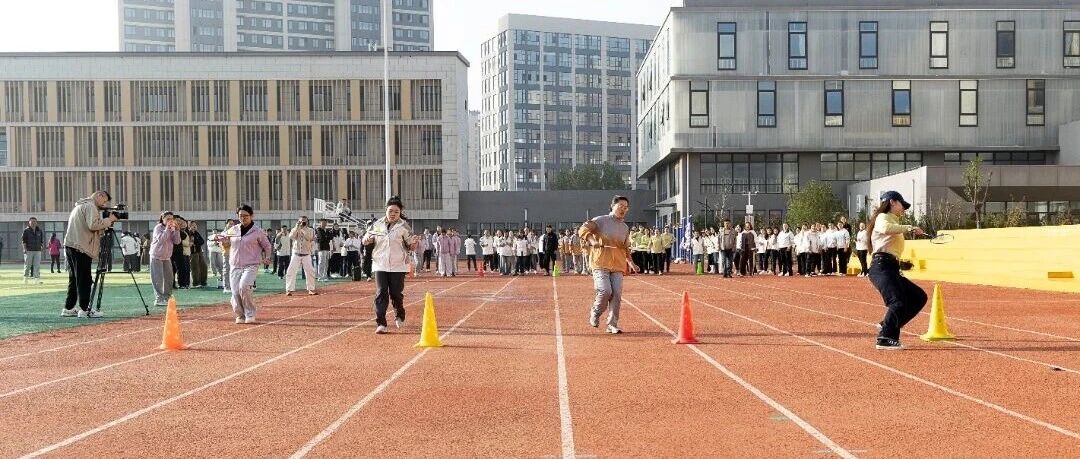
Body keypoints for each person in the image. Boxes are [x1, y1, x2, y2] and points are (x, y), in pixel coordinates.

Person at [867, 191, 928, 350]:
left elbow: (889, 249)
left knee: (918, 297)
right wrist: (910, 227)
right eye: (902, 205)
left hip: (890, 267)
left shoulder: (895, 223)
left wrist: (900, 264)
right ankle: (885, 338)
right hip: (881, 267)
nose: (904, 209)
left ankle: (886, 326)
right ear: (892, 202)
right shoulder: (883, 217)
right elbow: (885, 229)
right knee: (898, 302)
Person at [579, 195, 638, 334]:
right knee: (605, 291)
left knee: (616, 294)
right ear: (613, 206)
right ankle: (596, 311)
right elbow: (583, 230)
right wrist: (593, 242)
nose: (623, 209)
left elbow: (625, 248)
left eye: (626, 207)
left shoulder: (624, 227)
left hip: (617, 265)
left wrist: (631, 263)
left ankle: (612, 324)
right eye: (620, 206)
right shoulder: (600, 221)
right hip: (600, 263)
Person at [363, 196, 420, 334]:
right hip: (380, 263)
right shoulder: (376, 225)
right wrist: (366, 240)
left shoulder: (404, 226)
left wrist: (414, 243)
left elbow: (411, 246)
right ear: (386, 211)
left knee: (395, 293)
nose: (393, 214)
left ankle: (399, 313)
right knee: (381, 292)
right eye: (391, 211)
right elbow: (366, 238)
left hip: (398, 264)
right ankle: (381, 323)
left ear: (400, 213)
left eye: (396, 211)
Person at [61, 191, 118, 318]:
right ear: (99, 196)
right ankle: (85, 309)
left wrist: (104, 223)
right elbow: (93, 225)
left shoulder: (80, 205)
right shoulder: (90, 206)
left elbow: (89, 226)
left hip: (72, 245)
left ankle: (69, 308)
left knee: (75, 278)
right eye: (104, 201)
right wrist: (110, 220)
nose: (104, 205)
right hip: (81, 246)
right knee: (84, 279)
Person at [213, 205, 273, 324]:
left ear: (251, 216)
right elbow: (225, 244)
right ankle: (240, 315)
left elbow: (267, 246)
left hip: (251, 265)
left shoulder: (257, 231)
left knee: (244, 286)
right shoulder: (233, 230)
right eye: (241, 216)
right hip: (235, 265)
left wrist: (267, 257)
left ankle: (250, 313)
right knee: (235, 292)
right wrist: (221, 241)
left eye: (246, 216)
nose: (243, 218)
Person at [150, 212, 181, 307]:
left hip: (167, 257)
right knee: (158, 278)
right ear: (162, 219)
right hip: (156, 256)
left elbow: (177, 241)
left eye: (171, 218)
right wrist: (167, 229)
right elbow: (161, 239)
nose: (170, 220)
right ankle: (159, 299)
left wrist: (176, 230)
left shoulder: (173, 228)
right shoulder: (158, 228)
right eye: (167, 219)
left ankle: (167, 298)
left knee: (169, 278)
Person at [285, 215, 318, 296]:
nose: (302, 222)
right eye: (301, 221)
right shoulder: (295, 229)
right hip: (296, 253)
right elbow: (291, 237)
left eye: (304, 221)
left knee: (310, 272)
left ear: (307, 222)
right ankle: (289, 289)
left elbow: (309, 238)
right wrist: (297, 227)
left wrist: (303, 229)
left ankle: (311, 289)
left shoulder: (311, 230)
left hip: (306, 254)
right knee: (291, 271)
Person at [22, 217, 44, 284]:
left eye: (34, 221)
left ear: (36, 222)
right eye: (32, 221)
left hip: (37, 251)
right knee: (28, 265)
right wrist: (24, 249)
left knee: (37, 265)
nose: (33, 223)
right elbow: (23, 241)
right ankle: (25, 278)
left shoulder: (39, 231)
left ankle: (36, 279)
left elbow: (41, 241)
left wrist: (41, 247)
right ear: (29, 222)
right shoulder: (26, 231)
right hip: (29, 250)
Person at [189, 222, 208, 287]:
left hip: (199, 251)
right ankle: (196, 283)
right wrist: (195, 243)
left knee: (204, 266)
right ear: (190, 226)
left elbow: (202, 241)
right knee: (195, 267)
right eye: (193, 225)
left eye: (195, 225)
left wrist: (195, 243)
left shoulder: (197, 233)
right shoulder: (189, 233)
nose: (194, 227)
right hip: (193, 253)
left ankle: (203, 282)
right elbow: (191, 243)